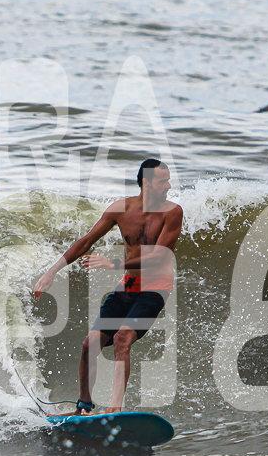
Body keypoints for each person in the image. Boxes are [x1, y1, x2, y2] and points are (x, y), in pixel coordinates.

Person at [33, 159, 183, 416]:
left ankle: (115, 409)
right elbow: (86, 242)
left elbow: (159, 257)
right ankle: (83, 407)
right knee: (89, 345)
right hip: (128, 287)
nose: (168, 186)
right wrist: (52, 271)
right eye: (163, 181)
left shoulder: (172, 212)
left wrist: (114, 264)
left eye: (169, 180)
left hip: (155, 289)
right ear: (146, 183)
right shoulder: (120, 210)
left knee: (122, 338)